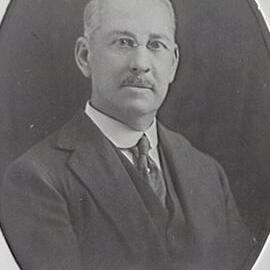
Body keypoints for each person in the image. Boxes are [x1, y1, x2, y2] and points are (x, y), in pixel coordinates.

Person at [0, 0, 253, 269]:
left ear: (173, 63)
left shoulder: (208, 173)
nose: (141, 64)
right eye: (123, 42)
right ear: (85, 56)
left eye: (156, 45)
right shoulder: (37, 179)